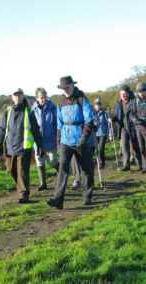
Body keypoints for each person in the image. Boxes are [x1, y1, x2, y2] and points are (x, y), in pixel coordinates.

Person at [46, 76, 94, 209]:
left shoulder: (82, 100)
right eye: (63, 88)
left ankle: (87, 195)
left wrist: (84, 137)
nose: (65, 90)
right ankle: (58, 199)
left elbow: (89, 120)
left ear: (73, 85)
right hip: (65, 142)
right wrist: (58, 143)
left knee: (85, 169)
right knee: (62, 169)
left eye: (67, 87)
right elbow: (59, 125)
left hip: (80, 140)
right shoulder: (60, 103)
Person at [0, 88, 43, 203]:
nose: (17, 97)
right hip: (9, 147)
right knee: (10, 170)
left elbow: (36, 130)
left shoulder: (29, 111)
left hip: (24, 147)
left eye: (19, 95)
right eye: (15, 95)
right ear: (12, 97)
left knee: (22, 171)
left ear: (23, 96)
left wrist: (40, 146)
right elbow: (2, 129)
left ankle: (24, 194)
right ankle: (22, 188)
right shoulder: (8, 111)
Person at [31, 87, 59, 191]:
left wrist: (58, 138)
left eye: (45, 97)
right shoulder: (32, 110)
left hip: (50, 140)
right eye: (41, 97)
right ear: (37, 98)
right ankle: (43, 183)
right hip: (38, 142)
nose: (44, 99)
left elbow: (57, 124)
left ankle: (61, 175)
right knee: (39, 161)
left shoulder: (52, 108)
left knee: (52, 161)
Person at [110, 85, 142, 171]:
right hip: (123, 127)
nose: (123, 96)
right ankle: (126, 165)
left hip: (133, 127)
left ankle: (140, 164)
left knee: (135, 147)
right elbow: (116, 114)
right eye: (121, 94)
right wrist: (112, 118)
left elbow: (138, 113)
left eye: (124, 94)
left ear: (128, 93)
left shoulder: (134, 101)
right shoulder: (119, 102)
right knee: (124, 146)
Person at [93, 98, 112, 168]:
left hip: (103, 133)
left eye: (99, 105)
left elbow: (109, 124)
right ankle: (101, 161)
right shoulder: (92, 113)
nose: (98, 106)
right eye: (96, 105)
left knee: (100, 147)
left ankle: (101, 163)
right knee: (97, 148)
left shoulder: (104, 113)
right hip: (95, 133)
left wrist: (110, 134)